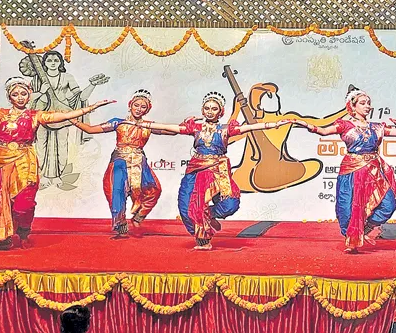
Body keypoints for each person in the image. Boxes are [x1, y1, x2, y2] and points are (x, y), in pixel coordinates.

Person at [132, 92, 291, 250]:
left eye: (214, 109)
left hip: (218, 171)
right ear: (202, 110)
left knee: (230, 204)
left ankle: (207, 214)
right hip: (196, 171)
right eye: (207, 108)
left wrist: (273, 124)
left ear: (220, 111)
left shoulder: (226, 129)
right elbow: (170, 127)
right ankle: (203, 240)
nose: (210, 111)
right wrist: (144, 124)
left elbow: (249, 127)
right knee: (186, 209)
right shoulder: (196, 128)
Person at [294, 89, 396, 253]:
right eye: (363, 103)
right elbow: (323, 131)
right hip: (352, 170)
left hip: (374, 172)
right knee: (347, 208)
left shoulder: (377, 127)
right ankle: (352, 239)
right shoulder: (345, 125)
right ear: (352, 106)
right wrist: (306, 125)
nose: (367, 106)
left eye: (369, 103)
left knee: (389, 204)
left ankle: (364, 229)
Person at [0, 77, 113, 250]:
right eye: (15, 94)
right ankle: (3, 236)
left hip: (24, 162)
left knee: (24, 204)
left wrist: (91, 108)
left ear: (29, 95)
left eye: (23, 93)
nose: (20, 97)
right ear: (9, 97)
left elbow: (65, 115)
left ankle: (23, 231)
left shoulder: (35, 116)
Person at [69, 89, 169, 237]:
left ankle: (139, 216)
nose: (139, 109)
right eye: (136, 105)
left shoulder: (148, 125)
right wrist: (74, 121)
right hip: (119, 162)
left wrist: (186, 126)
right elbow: (90, 130)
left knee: (154, 189)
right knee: (116, 193)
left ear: (148, 109)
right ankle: (121, 227)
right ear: (130, 105)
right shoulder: (118, 122)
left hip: (139, 163)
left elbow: (170, 131)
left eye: (143, 107)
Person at [30, 50, 110, 189]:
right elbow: (29, 98)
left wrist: (92, 85)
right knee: (41, 146)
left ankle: (57, 176)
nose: (53, 63)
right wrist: (41, 91)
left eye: (56, 60)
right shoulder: (37, 79)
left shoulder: (67, 77)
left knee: (62, 145)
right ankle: (43, 176)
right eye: (49, 60)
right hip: (42, 114)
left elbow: (80, 97)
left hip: (62, 114)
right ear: (44, 63)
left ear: (60, 62)